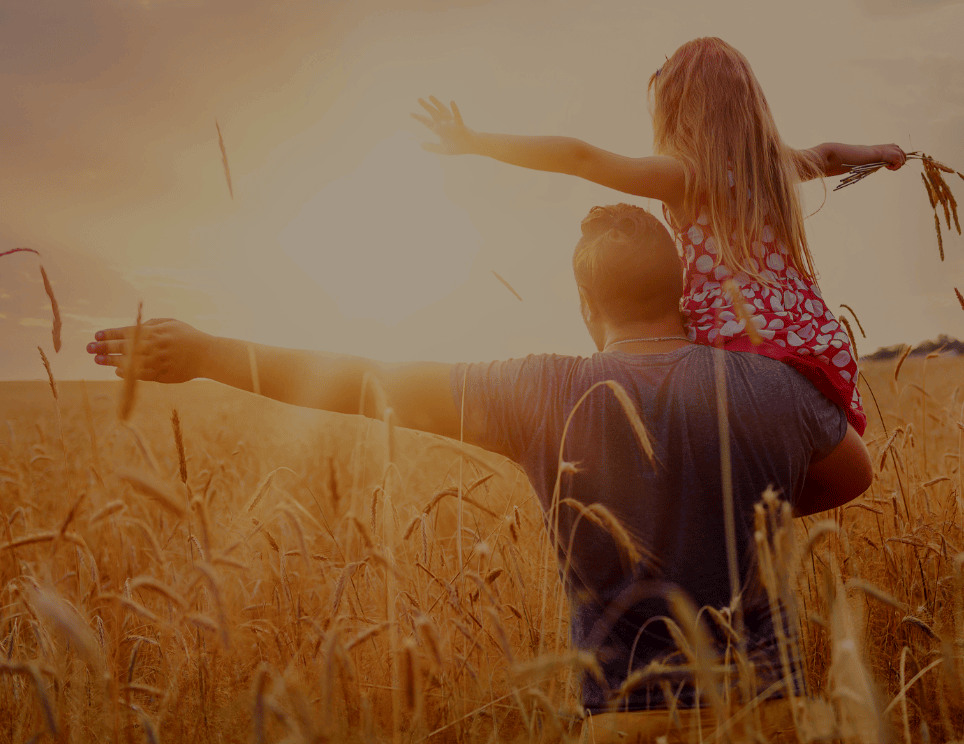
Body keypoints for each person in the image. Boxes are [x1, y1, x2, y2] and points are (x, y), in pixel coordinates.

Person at [86, 204, 872, 742]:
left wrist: (206, 355)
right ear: (680, 292)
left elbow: (367, 379)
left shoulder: (542, 389)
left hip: (631, 722)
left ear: (584, 299)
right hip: (773, 714)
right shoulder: (775, 387)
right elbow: (853, 476)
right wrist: (744, 510)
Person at [412, 36, 906, 443]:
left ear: (679, 110)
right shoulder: (776, 167)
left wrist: (479, 142)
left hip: (728, 340)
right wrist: (881, 152)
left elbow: (579, 157)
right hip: (804, 337)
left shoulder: (687, 176)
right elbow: (832, 153)